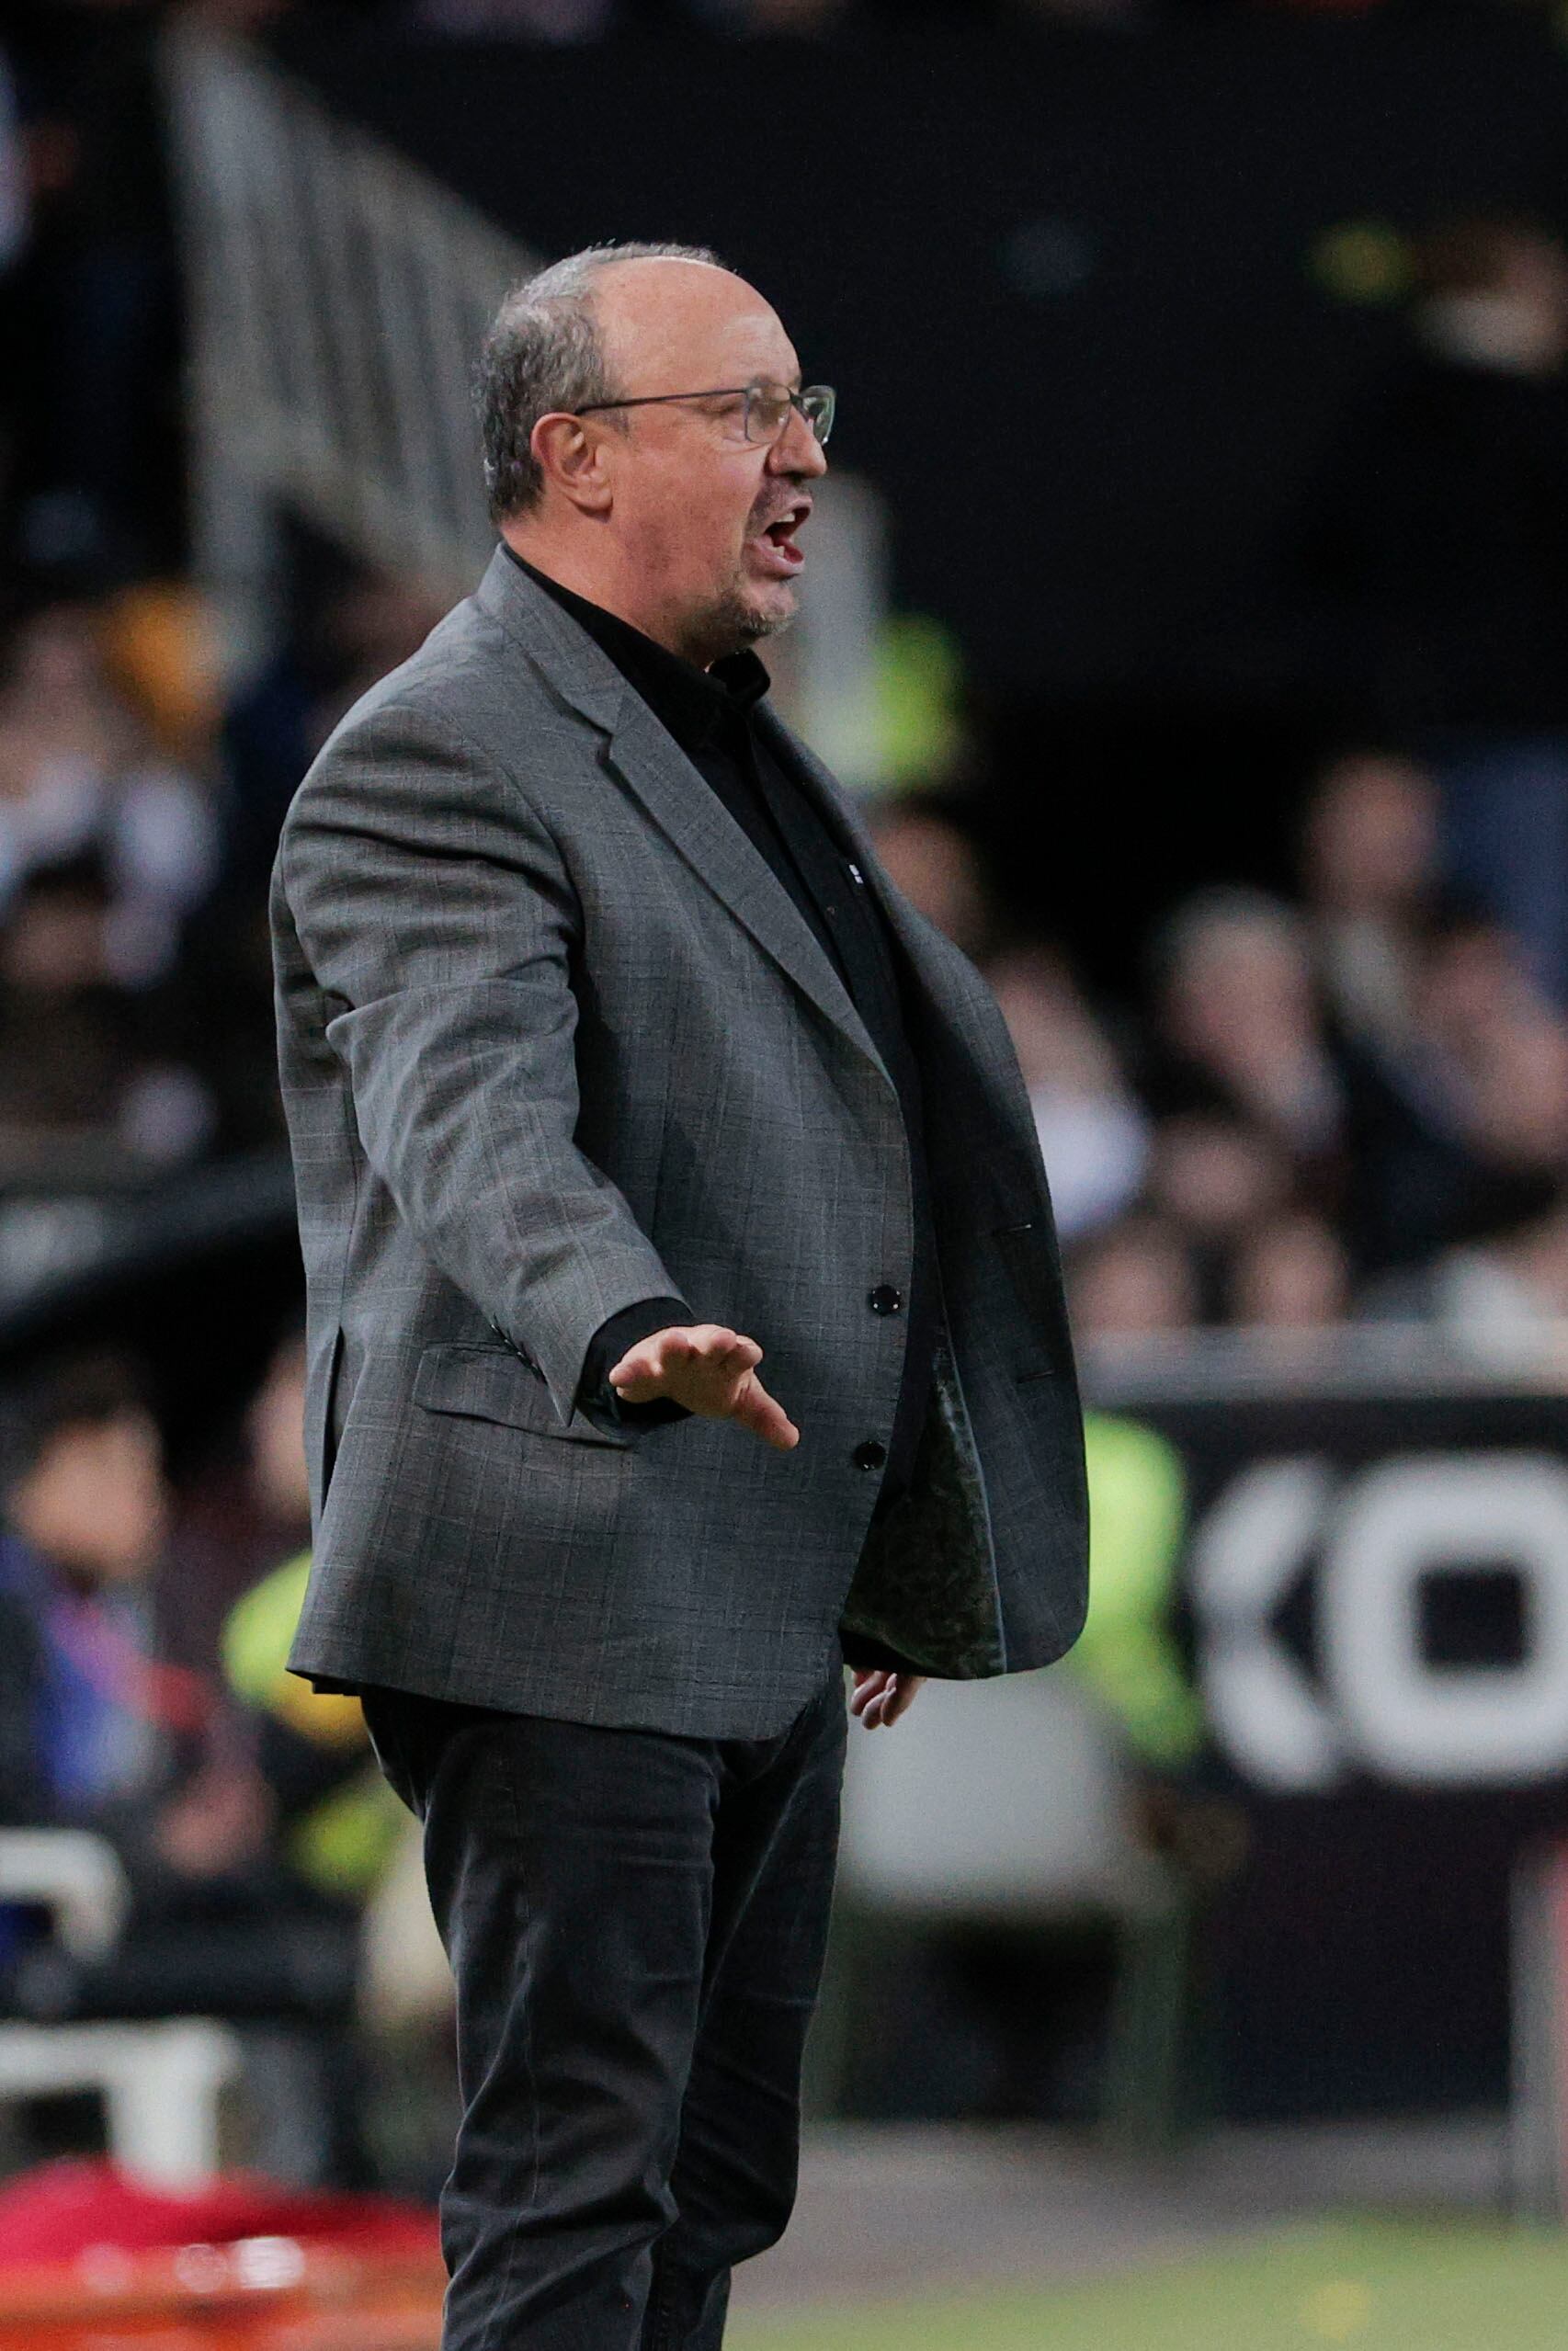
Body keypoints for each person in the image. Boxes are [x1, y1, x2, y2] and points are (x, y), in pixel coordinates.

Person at [269, 240, 1088, 2349]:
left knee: (704, 2188)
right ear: (574, 457)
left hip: (746, 1567)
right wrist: (615, 1316)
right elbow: (469, 1117)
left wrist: (880, 1523)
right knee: (577, 2178)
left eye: (805, 407)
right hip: (556, 1566)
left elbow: (824, 1135)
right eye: (744, 412)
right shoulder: (436, 752)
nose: (799, 455)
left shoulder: (718, 731)